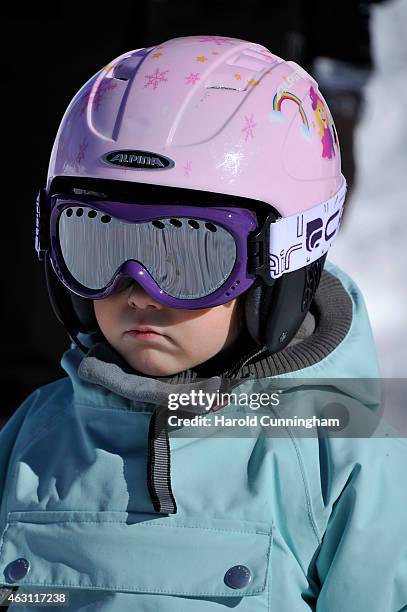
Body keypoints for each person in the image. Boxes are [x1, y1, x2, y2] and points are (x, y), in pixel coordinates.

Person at [0, 35, 406, 611]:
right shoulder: (34, 436)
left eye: (188, 256)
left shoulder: (342, 460)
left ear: (281, 270)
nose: (138, 290)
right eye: (95, 242)